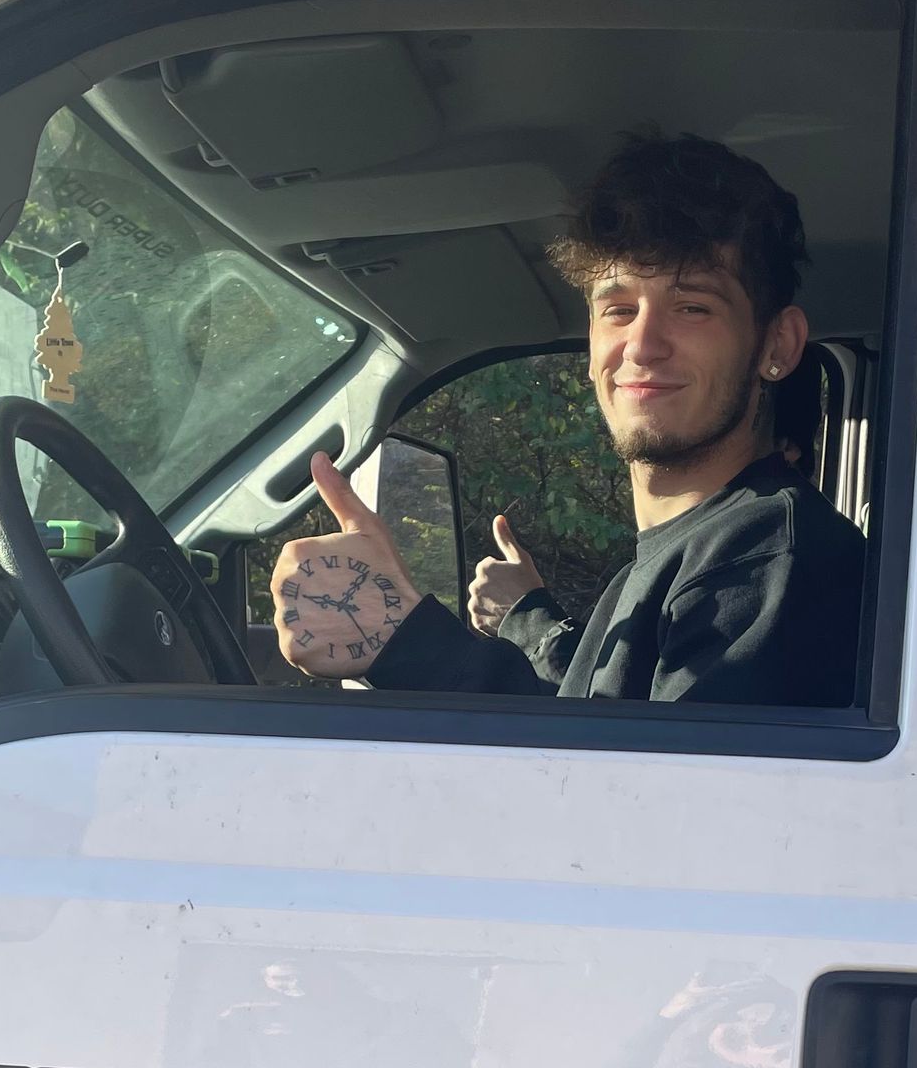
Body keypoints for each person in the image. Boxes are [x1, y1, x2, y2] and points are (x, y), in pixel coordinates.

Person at [270, 131, 866, 708]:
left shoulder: (766, 558)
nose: (642, 345)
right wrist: (514, 618)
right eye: (619, 310)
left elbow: (632, 794)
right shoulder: (681, 554)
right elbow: (604, 722)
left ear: (777, 346)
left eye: (692, 308)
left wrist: (406, 641)